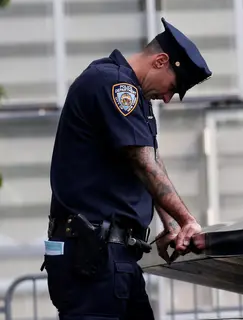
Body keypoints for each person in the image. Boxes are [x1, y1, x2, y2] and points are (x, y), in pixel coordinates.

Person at [42, 17, 212, 319]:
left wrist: (171, 225)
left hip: (113, 258)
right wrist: (188, 220)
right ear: (160, 60)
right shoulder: (114, 85)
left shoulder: (134, 95)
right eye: (172, 88)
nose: (167, 99)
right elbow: (143, 163)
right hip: (94, 258)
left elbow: (151, 161)